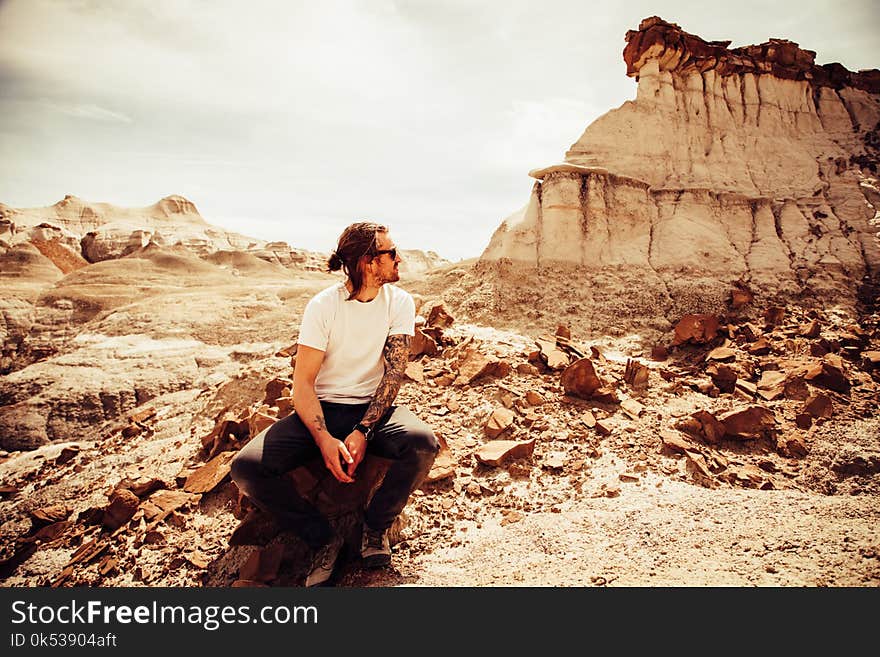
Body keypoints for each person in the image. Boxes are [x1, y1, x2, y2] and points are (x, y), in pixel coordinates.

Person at [230, 221, 439, 586]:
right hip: (323, 409)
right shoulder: (323, 307)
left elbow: (392, 378)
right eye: (392, 253)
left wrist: (363, 430)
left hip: (372, 411)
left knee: (422, 443)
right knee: (246, 468)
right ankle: (322, 540)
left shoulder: (400, 303)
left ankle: (375, 529)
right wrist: (325, 440)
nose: (399, 259)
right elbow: (304, 385)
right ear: (368, 262)